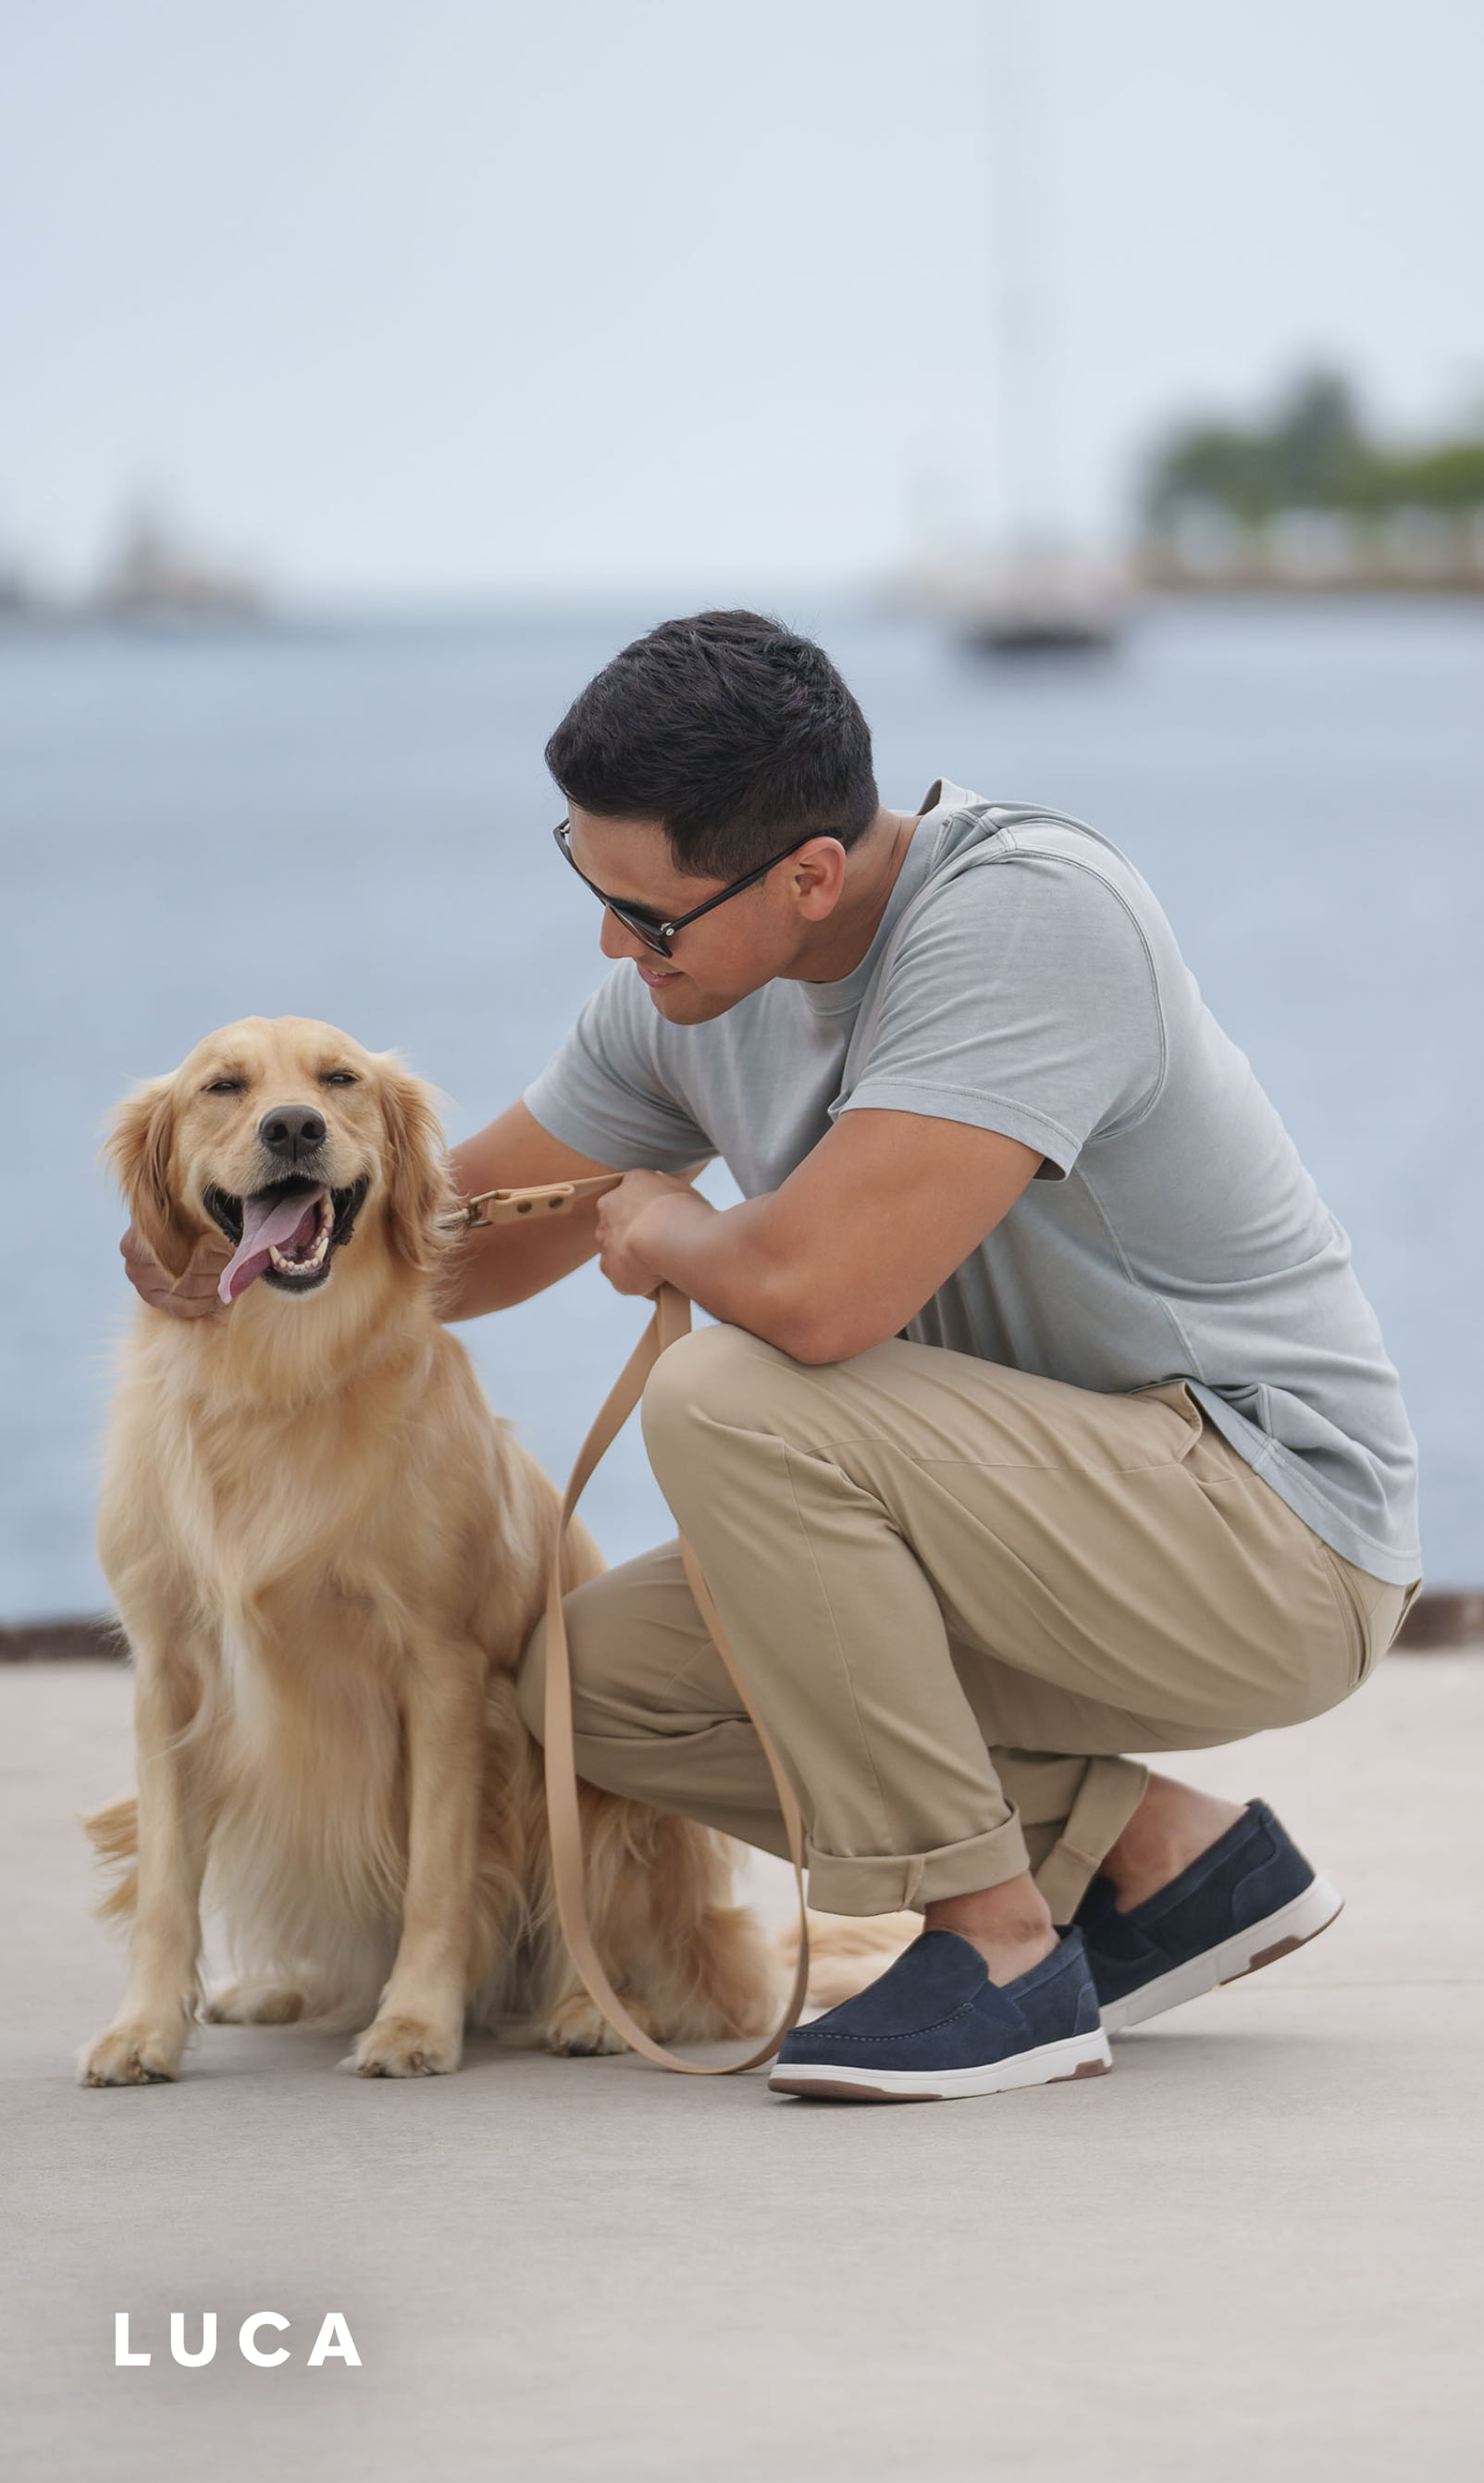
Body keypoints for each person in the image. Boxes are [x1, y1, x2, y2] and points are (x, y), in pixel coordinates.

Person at [126, 609, 1422, 2104]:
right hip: (1020, 1526)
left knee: (731, 1392)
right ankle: (1160, 1866)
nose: (615, 944)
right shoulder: (686, 997)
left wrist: (676, 1231)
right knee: (584, 1692)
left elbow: (813, 1302)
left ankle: (1002, 1957)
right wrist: (234, 1222)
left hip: (1268, 1535)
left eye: (651, 915)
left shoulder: (1030, 916)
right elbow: (446, 1242)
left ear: (810, 874)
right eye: (589, 884)